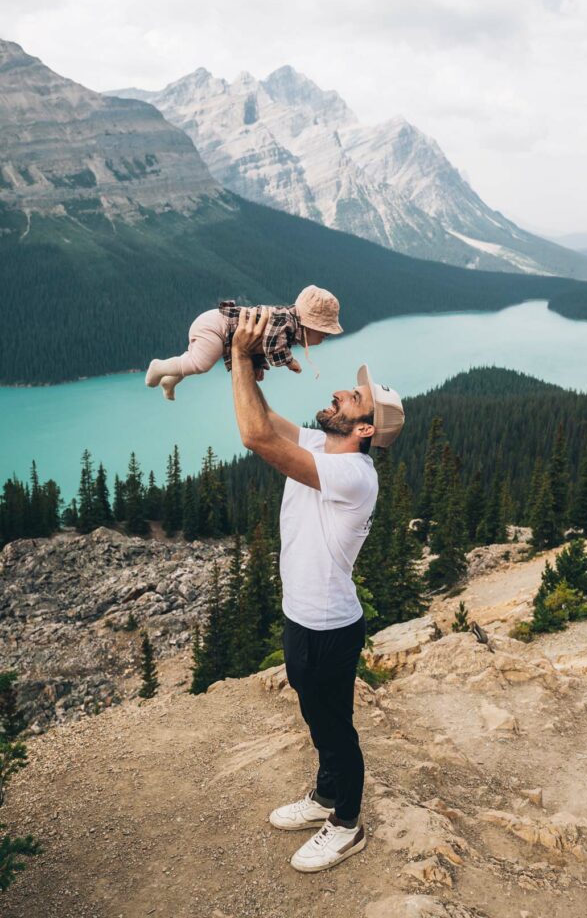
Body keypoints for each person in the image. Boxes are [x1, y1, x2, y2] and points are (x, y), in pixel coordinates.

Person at [230, 306, 405, 873]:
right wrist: (250, 367)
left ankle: (347, 824)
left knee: (335, 726)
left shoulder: (354, 475)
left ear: (365, 430)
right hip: (302, 617)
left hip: (330, 626)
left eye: (352, 400)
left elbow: (255, 436)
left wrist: (236, 358)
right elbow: (267, 417)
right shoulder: (320, 443)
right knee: (316, 715)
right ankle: (326, 797)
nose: (338, 393)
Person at [144, 285, 342, 400]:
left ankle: (169, 380)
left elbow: (259, 344)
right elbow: (272, 344)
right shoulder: (285, 321)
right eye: (324, 331)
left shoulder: (287, 326)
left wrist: (258, 365)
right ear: (309, 325)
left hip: (217, 324)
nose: (326, 335)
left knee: (191, 360)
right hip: (217, 325)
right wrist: (289, 362)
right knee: (200, 364)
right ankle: (158, 367)